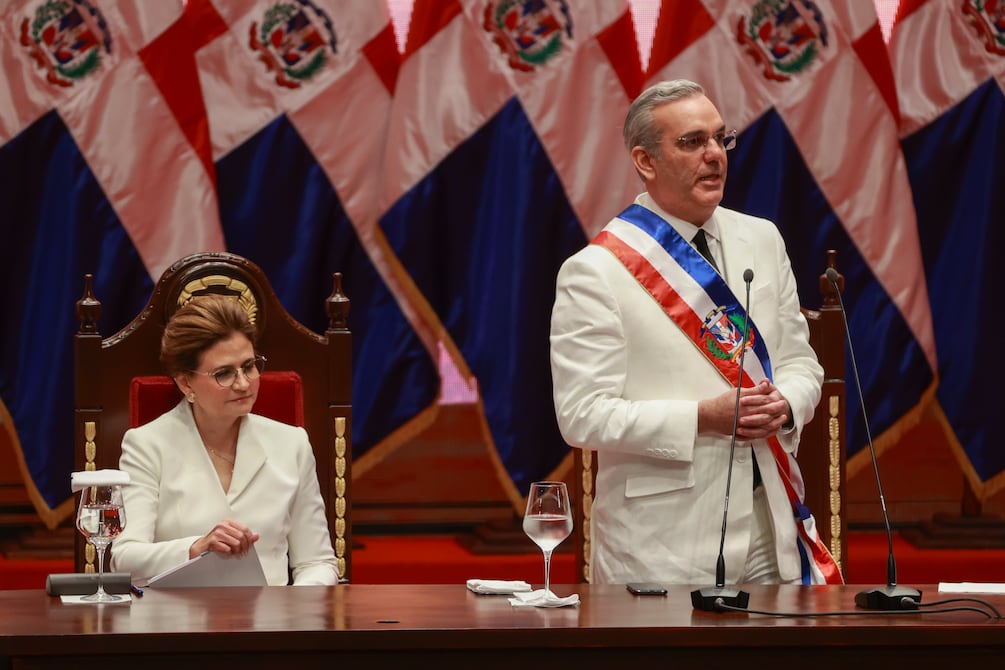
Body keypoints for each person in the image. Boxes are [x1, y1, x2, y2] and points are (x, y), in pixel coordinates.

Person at [549, 80, 840, 586]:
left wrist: (787, 404)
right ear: (645, 161)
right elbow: (581, 415)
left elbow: (800, 362)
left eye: (720, 139)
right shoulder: (596, 270)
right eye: (691, 142)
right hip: (663, 545)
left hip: (773, 528)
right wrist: (700, 418)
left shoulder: (762, 238)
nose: (714, 156)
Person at [110, 294, 338, 586]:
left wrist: (291, 616)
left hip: (270, 625)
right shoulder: (146, 445)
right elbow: (125, 558)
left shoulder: (292, 444)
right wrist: (195, 548)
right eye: (224, 373)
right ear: (185, 382)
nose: (243, 383)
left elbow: (317, 563)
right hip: (177, 622)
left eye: (249, 366)